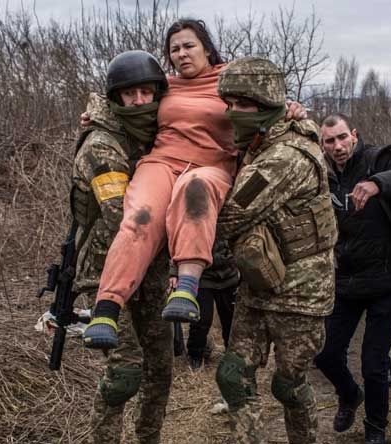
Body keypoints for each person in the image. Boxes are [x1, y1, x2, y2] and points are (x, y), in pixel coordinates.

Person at [83, 19, 305, 349]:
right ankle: (106, 309)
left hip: (212, 165)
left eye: (189, 45)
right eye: (174, 49)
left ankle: (187, 287)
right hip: (161, 162)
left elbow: (265, 102)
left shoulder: (231, 78)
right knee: (139, 217)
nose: (182, 54)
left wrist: (292, 108)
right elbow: (125, 99)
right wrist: (96, 115)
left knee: (194, 189)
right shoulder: (166, 85)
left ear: (206, 48)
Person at [214, 57, 337, 444]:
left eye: (243, 105)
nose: (232, 113)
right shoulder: (261, 141)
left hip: (300, 295)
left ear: (267, 107)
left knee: (289, 386)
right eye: (229, 104)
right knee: (233, 376)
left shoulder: (285, 158)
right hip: (258, 285)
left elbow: (230, 216)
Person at [68, 50, 173, 444]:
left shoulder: (158, 134)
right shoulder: (102, 144)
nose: (140, 101)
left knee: (160, 369)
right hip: (107, 273)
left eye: (147, 92)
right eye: (131, 94)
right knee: (124, 373)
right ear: (116, 98)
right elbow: (122, 218)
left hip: (151, 272)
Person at [312, 114, 391, 444]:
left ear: (354, 135)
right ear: (322, 144)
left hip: (386, 281)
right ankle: (350, 395)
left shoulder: (378, 159)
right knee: (324, 354)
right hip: (346, 281)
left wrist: (379, 183)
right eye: (329, 141)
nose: (337, 146)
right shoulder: (322, 174)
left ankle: (375, 428)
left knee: (374, 364)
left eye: (342, 137)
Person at [184, 237, 239, 369]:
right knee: (201, 320)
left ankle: (232, 355)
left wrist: (232, 258)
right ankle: (195, 356)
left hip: (228, 276)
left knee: (230, 319)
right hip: (202, 276)